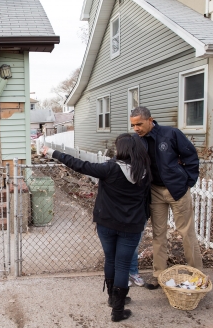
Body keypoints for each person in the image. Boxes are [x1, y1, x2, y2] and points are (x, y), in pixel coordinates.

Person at [43, 133, 151, 322]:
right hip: (132, 226)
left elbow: (80, 165)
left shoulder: (110, 168)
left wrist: (53, 152)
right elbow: (147, 199)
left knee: (110, 260)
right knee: (123, 265)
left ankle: (112, 298)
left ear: (122, 150)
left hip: (106, 224)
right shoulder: (145, 171)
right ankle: (118, 310)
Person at [130, 106, 203, 290]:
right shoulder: (135, 140)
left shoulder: (171, 134)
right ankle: (159, 275)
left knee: (187, 232)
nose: (136, 128)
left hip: (177, 190)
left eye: (139, 124)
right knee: (158, 234)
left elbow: (191, 157)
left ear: (150, 120)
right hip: (154, 191)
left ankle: (197, 274)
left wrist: (187, 181)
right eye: (133, 125)